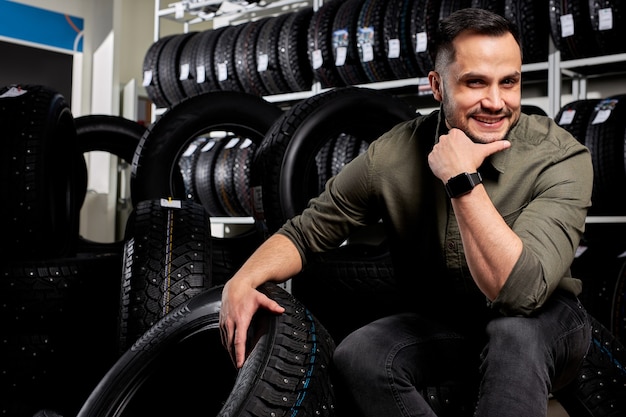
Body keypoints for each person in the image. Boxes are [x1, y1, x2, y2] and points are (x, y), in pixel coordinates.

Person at [219, 7, 592, 417]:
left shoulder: (559, 157)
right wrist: (242, 279)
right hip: (448, 325)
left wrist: (461, 179)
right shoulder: (392, 154)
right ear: (437, 85)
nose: (496, 102)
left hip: (547, 325)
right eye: (475, 83)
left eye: (509, 82)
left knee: (513, 333)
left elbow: (520, 294)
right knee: (361, 354)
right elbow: (307, 232)